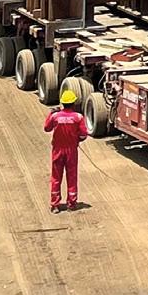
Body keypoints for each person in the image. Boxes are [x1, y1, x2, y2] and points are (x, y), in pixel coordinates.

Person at [44, 83, 91, 211]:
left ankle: (55, 205)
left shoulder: (55, 117)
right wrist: (76, 140)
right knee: (72, 176)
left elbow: (47, 128)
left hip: (57, 151)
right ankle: (71, 204)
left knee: (56, 178)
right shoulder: (78, 117)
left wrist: (51, 113)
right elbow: (83, 134)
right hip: (71, 151)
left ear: (62, 103)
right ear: (74, 103)